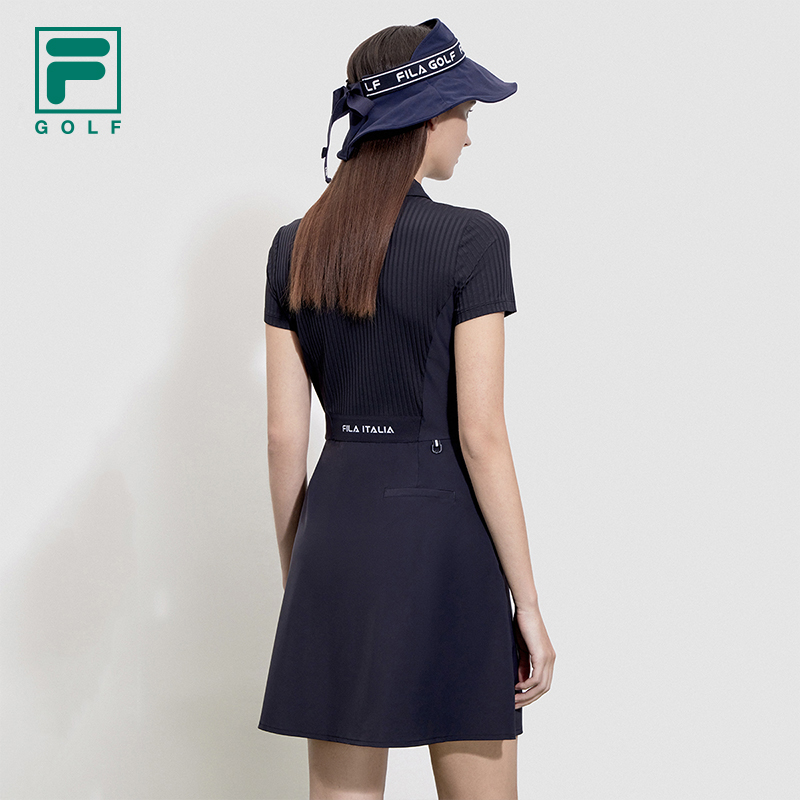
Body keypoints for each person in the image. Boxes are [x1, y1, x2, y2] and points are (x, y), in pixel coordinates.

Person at [258, 18, 555, 800]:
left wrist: (303, 572)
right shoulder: (472, 240)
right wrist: (527, 604)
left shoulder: (295, 245)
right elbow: (481, 436)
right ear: (427, 117)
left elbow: (284, 435)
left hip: (336, 536)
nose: (469, 136)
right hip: (445, 538)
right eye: (465, 114)